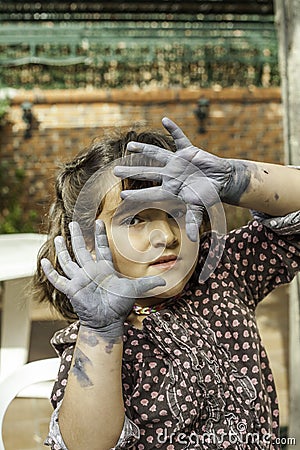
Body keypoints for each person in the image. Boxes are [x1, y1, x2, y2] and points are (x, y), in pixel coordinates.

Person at [32, 117, 300, 450]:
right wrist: (101, 334)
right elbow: (85, 445)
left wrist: (237, 179)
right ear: (88, 244)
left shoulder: (223, 272)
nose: (166, 236)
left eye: (175, 211)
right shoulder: (96, 340)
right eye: (136, 219)